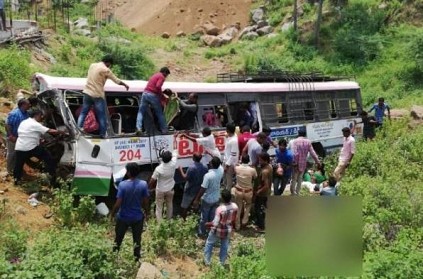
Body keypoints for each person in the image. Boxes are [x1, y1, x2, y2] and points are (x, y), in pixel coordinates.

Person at [77, 55, 129, 138]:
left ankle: (78, 129)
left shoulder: (92, 65)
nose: (110, 66)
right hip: (97, 94)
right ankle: (102, 134)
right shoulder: (106, 70)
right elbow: (116, 80)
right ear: (108, 63)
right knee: (102, 115)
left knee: (83, 112)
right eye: (110, 64)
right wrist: (125, 84)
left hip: (87, 92)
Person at [13, 109, 66, 186]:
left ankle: (16, 180)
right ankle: (52, 179)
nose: (41, 117)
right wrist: (63, 132)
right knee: (49, 159)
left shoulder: (24, 122)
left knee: (19, 164)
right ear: (36, 115)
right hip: (30, 147)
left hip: (19, 146)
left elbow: (30, 134)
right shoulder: (35, 124)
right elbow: (50, 131)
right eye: (41, 115)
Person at [111, 163, 149, 262]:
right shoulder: (143, 184)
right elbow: (145, 202)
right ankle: (136, 259)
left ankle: (114, 257)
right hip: (137, 218)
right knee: (137, 240)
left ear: (128, 172)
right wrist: (147, 213)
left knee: (118, 238)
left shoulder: (122, 185)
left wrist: (112, 213)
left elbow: (118, 203)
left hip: (123, 217)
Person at [204, 189, 238, 266]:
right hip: (228, 230)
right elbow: (234, 219)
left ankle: (207, 261)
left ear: (222, 198)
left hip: (218, 230)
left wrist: (207, 224)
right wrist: (233, 228)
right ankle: (221, 263)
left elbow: (215, 223)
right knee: (224, 246)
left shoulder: (219, 209)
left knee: (209, 243)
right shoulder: (235, 206)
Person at [193, 156, 224, 237]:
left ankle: (202, 232)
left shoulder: (208, 176)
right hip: (216, 198)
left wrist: (196, 199)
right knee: (213, 216)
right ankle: (211, 232)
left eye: (210, 162)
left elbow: (203, 188)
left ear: (212, 165)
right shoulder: (221, 171)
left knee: (204, 217)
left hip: (207, 199)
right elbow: (219, 162)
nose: (209, 163)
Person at [136, 67, 171, 134]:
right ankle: (164, 130)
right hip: (152, 95)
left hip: (145, 93)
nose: (166, 77)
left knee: (141, 112)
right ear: (164, 72)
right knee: (159, 113)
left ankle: (138, 128)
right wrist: (162, 96)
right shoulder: (162, 77)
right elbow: (158, 86)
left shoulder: (155, 75)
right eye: (166, 75)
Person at [149, 149, 178, 222]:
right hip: (170, 189)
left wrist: (149, 187)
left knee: (159, 207)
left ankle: (160, 223)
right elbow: (175, 153)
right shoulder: (173, 163)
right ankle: (169, 220)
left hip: (160, 190)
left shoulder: (159, 169)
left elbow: (152, 180)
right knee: (169, 205)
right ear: (170, 158)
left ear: (162, 158)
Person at [290, 129, 321, 195]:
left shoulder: (295, 141)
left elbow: (294, 153)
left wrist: (294, 162)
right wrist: (317, 162)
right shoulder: (308, 142)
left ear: (298, 134)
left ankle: (293, 192)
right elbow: (313, 153)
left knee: (294, 178)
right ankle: (297, 192)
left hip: (296, 163)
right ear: (305, 134)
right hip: (303, 163)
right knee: (300, 178)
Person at [178, 152, 208, 220]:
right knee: (196, 204)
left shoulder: (191, 168)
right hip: (199, 189)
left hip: (190, 189)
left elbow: (185, 177)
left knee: (184, 206)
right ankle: (194, 218)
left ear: (193, 158)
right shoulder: (205, 167)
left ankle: (184, 220)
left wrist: (180, 170)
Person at [5, 99, 30, 175]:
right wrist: (10, 136)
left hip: (21, 138)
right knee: (11, 154)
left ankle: (16, 169)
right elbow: (8, 125)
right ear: (23, 105)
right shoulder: (14, 114)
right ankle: (9, 170)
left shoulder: (26, 114)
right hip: (13, 137)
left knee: (18, 154)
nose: (30, 105)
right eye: (28, 104)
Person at [233, 154, 257, 230]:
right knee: (248, 205)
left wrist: (238, 163)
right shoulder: (252, 170)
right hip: (248, 191)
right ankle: (244, 221)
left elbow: (235, 166)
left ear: (241, 160)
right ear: (248, 160)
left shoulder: (237, 168)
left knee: (239, 207)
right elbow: (255, 177)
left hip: (239, 191)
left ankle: (237, 225)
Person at [254, 152, 272, 232]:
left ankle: (261, 227)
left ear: (266, 161)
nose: (259, 161)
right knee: (264, 208)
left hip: (262, 193)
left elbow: (266, 186)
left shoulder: (264, 171)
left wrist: (258, 192)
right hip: (267, 193)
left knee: (258, 209)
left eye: (261, 160)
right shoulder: (270, 167)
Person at [223, 123, 239, 190]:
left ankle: (228, 195)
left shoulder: (234, 140)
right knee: (225, 179)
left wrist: (227, 165)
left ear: (228, 130)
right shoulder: (231, 136)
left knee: (229, 181)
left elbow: (233, 155)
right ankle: (225, 191)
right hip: (225, 160)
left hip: (230, 164)